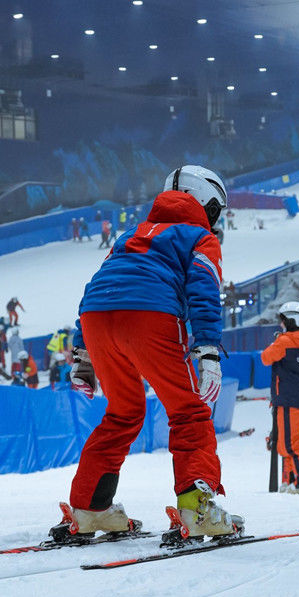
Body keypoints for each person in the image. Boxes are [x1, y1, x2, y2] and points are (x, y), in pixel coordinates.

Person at [49, 164, 244, 544]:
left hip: (97, 320)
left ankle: (90, 508)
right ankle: (198, 509)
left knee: (124, 412)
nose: (215, 219)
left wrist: (83, 352)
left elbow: (102, 284)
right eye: (215, 209)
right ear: (205, 201)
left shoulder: (130, 235)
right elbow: (204, 289)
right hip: (150, 316)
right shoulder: (198, 237)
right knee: (188, 411)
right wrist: (206, 348)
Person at [261, 301, 299, 493]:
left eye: (283, 321)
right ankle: (295, 480)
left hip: (287, 399)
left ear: (291, 320)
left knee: (290, 445)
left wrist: (277, 340)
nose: (281, 324)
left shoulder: (284, 341)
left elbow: (265, 358)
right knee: (290, 442)